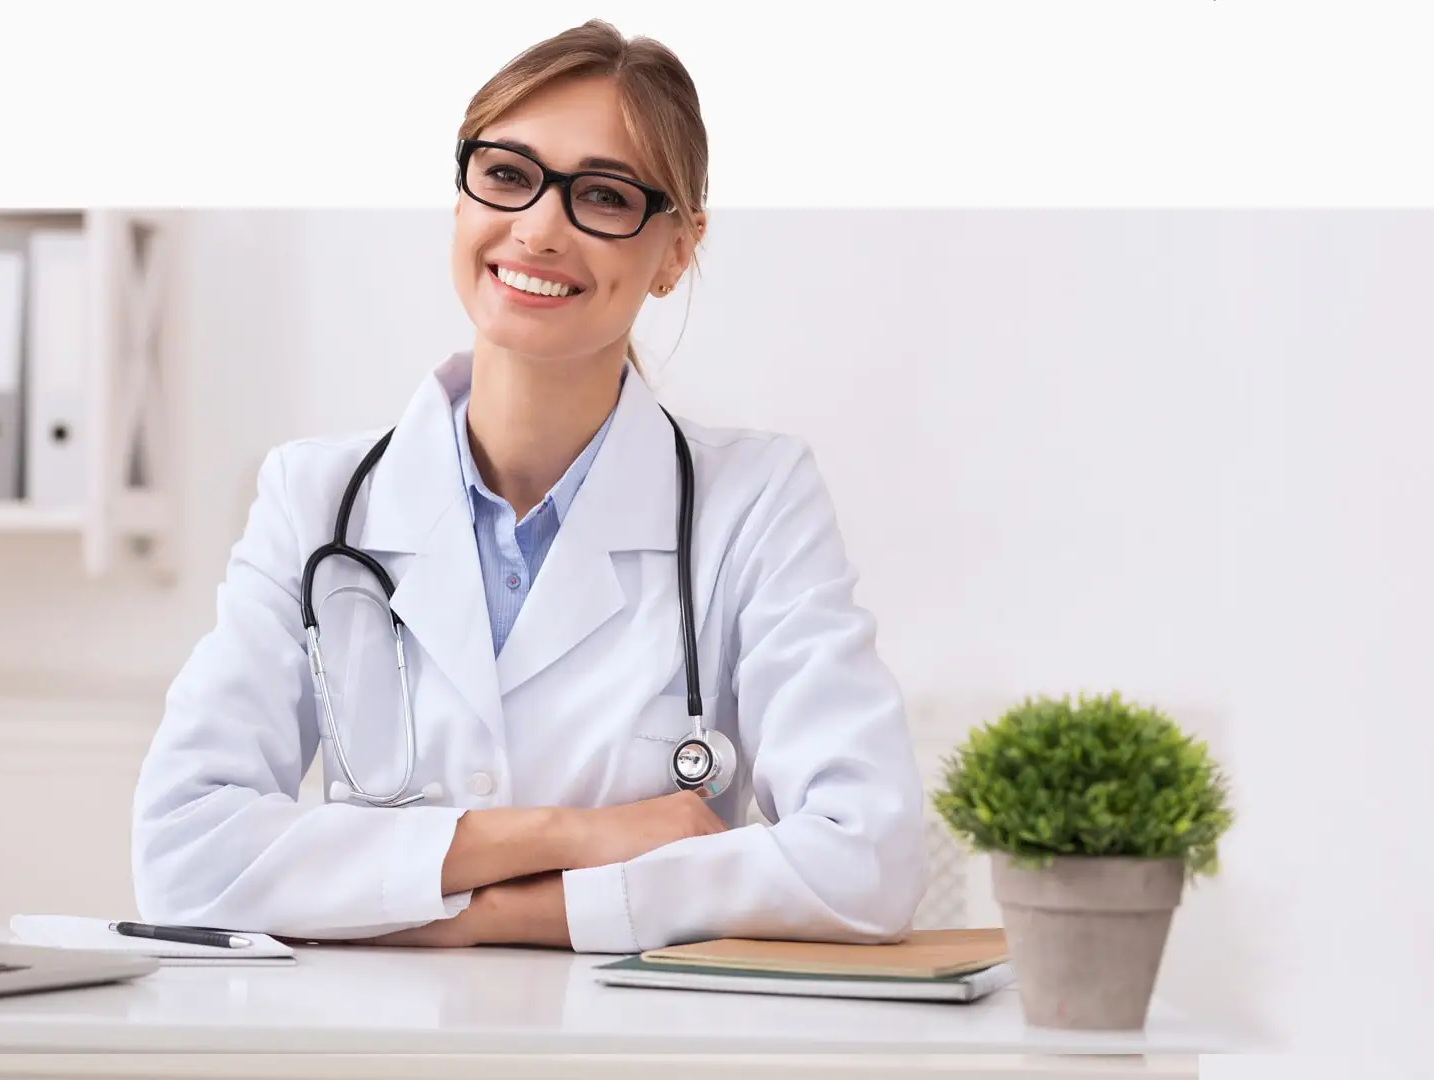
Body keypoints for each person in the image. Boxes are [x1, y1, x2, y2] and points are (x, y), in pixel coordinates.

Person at [130, 19, 928, 954]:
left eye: (604, 196)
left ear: (676, 250)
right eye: (507, 175)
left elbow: (867, 862)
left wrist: (475, 917)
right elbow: (180, 855)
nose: (540, 228)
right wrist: (579, 836)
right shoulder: (314, 496)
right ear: (462, 199)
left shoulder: (754, 502)